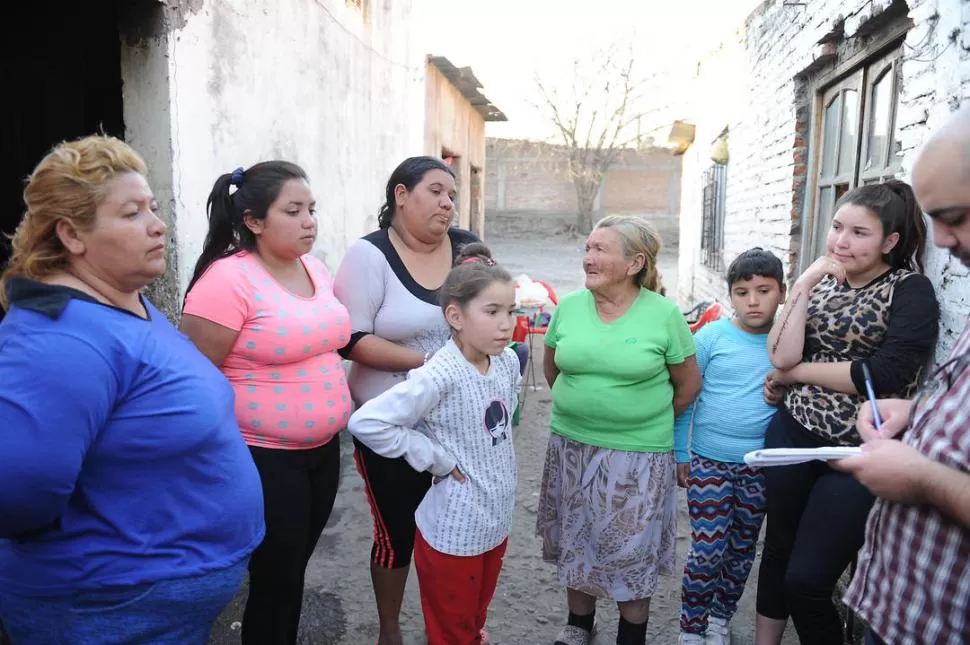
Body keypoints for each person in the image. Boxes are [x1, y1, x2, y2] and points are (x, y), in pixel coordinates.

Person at [0, 135, 264, 644]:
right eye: (132, 213)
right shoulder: (59, 337)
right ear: (72, 236)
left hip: (148, 604)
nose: (157, 224)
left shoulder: (121, 304)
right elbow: (17, 490)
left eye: (154, 207)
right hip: (106, 608)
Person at [755, 180, 940, 644]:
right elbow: (780, 355)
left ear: (890, 242)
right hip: (793, 431)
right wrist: (801, 284)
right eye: (837, 227)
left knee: (809, 581)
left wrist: (797, 375)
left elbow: (886, 374)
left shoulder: (910, 289)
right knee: (777, 549)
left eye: (859, 232)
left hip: (860, 451)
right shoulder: (818, 283)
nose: (840, 241)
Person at [179, 161, 351, 645]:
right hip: (262, 458)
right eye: (293, 211)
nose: (309, 221)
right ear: (253, 221)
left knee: (292, 571)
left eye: (311, 210)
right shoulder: (227, 280)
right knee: (276, 579)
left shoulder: (312, 267)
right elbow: (193, 381)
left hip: (322, 451)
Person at [836, 105, 970, 645]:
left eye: (955, 217)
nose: (939, 239)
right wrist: (920, 413)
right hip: (902, 619)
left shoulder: (908, 291)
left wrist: (920, 478)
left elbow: (884, 366)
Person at [332, 156, 479, 645]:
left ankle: (457, 629)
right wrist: (432, 368)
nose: (447, 203)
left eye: (452, 195)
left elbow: (493, 310)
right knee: (396, 533)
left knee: (462, 528)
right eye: (436, 191)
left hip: (461, 420)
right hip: (391, 425)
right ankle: (390, 629)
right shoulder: (368, 256)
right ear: (401, 194)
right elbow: (350, 339)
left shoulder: (468, 250)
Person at [536, 214, 701, 645]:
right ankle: (579, 624)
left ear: (634, 263)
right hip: (571, 447)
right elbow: (553, 367)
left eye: (600, 250)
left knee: (631, 550)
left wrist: (638, 419)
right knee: (577, 538)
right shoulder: (570, 307)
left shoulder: (664, 315)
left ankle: (632, 636)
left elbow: (686, 386)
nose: (588, 258)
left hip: (637, 455)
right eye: (587, 249)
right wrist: (585, 410)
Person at [348, 242, 520, 645]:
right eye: (492, 312)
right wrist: (434, 458)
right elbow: (367, 422)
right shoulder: (439, 373)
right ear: (455, 316)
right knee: (451, 630)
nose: (505, 324)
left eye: (510, 311)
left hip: (494, 521)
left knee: (473, 621)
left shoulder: (508, 361)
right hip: (454, 532)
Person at [674, 248, 787, 645]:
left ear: (782, 292)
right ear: (730, 295)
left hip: (760, 465)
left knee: (741, 550)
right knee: (707, 550)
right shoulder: (710, 337)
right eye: (742, 292)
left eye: (763, 290)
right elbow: (686, 396)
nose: (753, 301)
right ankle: (692, 625)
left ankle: (720, 616)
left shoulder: (787, 344)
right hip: (710, 462)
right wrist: (681, 452)